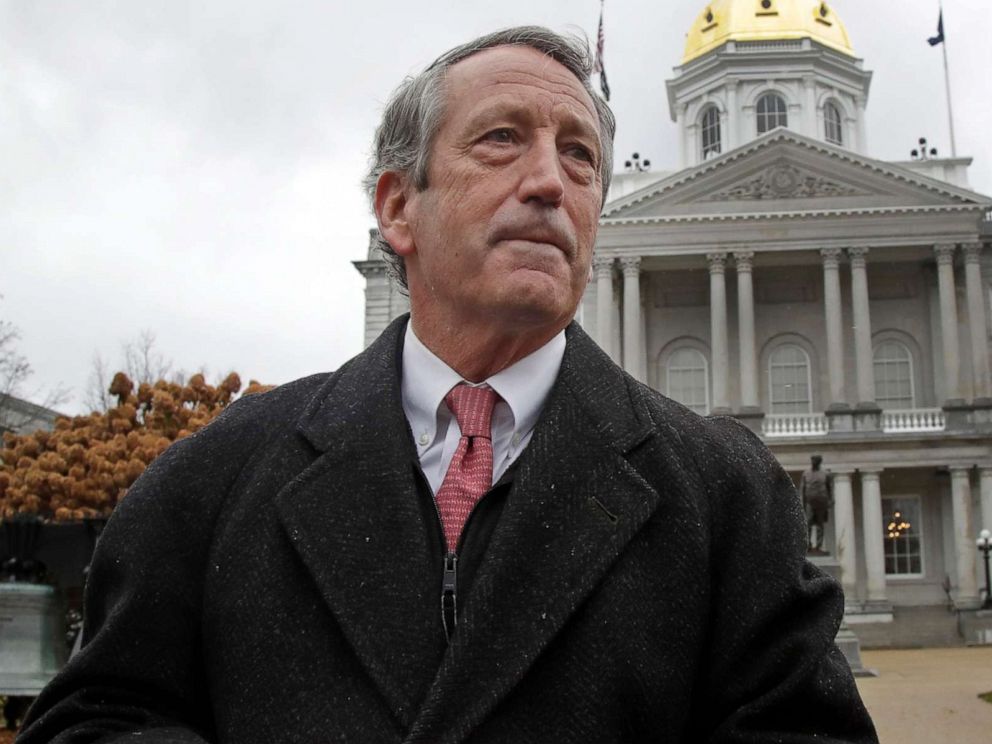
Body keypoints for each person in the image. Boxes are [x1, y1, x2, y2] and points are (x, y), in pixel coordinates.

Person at [17, 27, 877, 744]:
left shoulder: (725, 497)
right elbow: (99, 717)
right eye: (503, 139)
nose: (550, 181)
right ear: (398, 209)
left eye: (579, 158)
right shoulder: (218, 474)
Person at [800, 455, 834, 553]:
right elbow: (802, 488)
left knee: (820, 524)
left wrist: (831, 499)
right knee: (808, 523)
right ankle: (808, 545)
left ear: (819, 462)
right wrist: (802, 501)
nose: (813, 462)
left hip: (821, 502)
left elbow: (829, 488)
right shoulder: (806, 473)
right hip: (810, 501)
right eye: (812, 460)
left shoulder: (825, 474)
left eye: (815, 460)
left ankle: (819, 546)